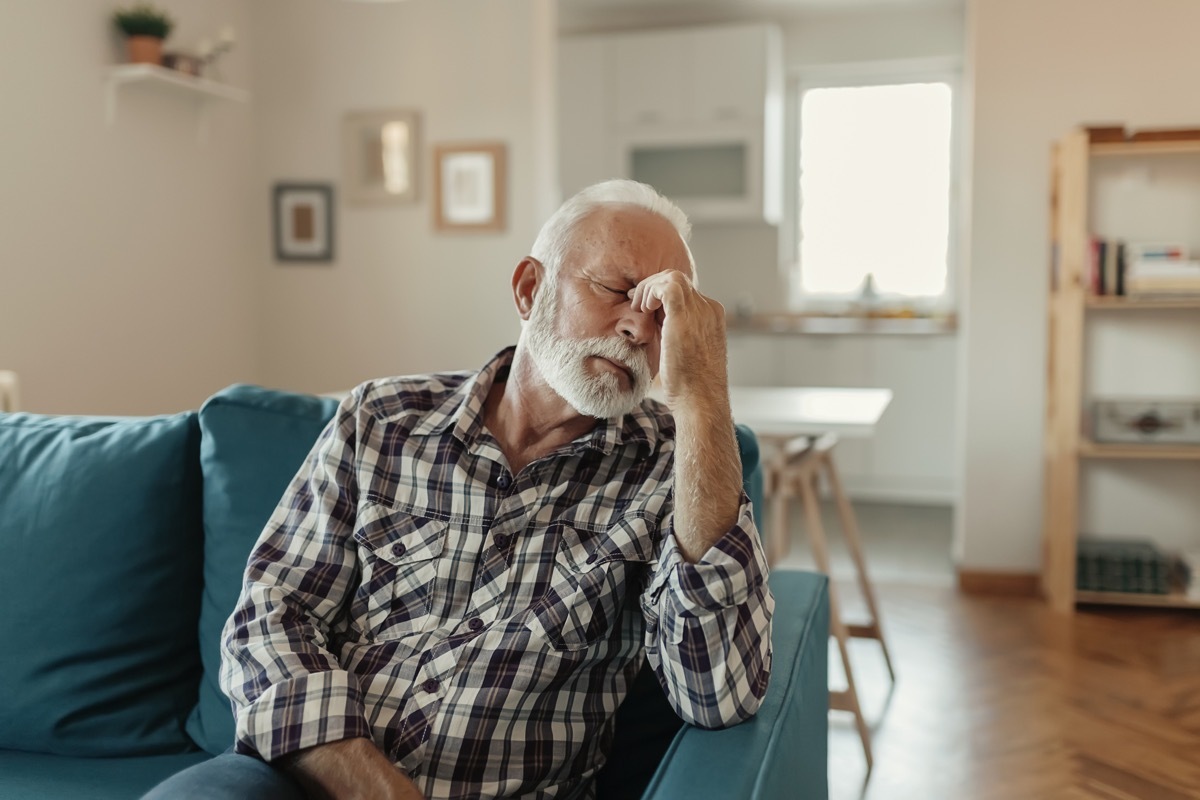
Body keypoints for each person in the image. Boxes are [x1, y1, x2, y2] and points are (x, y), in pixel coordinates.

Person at [145, 179, 773, 800]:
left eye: (663, 315)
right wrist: (374, 788)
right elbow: (270, 619)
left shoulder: (671, 469)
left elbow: (719, 695)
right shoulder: (382, 418)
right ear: (531, 289)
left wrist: (703, 397)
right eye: (614, 290)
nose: (638, 327)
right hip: (301, 780)